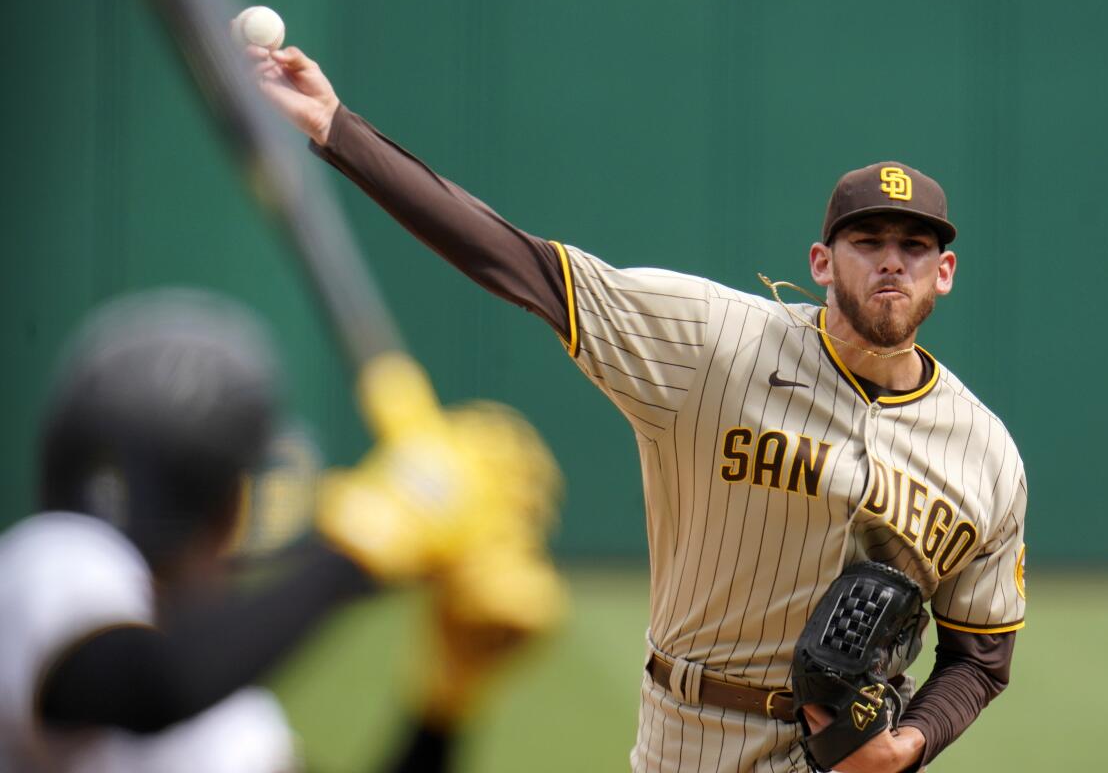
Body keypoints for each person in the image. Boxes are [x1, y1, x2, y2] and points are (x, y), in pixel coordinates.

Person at [248, 44, 1027, 773]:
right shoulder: (712, 342)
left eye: (915, 245)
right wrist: (332, 127)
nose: (892, 258)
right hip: (690, 737)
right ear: (822, 262)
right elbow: (523, 265)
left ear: (944, 271)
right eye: (868, 239)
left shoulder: (985, 453)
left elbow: (978, 656)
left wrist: (908, 747)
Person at [0, 289, 564, 773]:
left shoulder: (225, 713)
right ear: (209, 503)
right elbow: (154, 688)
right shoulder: (47, 564)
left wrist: (443, 702)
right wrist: (355, 551)